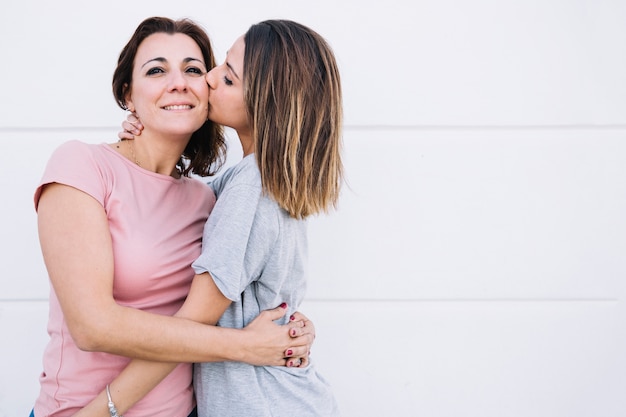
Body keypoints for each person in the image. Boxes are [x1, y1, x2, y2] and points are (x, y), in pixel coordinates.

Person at [31, 17, 314, 417]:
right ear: (128, 94)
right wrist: (246, 346)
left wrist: (291, 326)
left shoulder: (209, 198)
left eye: (194, 70)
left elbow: (261, 264)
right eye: (156, 70)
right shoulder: (82, 166)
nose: (179, 82)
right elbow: (92, 326)